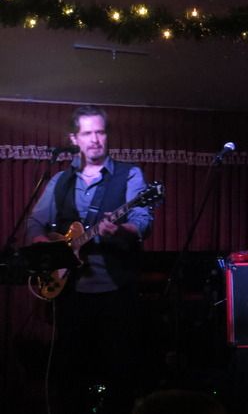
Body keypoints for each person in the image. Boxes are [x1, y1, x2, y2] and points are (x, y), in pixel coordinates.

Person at [26, 105, 154, 414]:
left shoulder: (129, 174)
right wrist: (46, 248)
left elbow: (142, 221)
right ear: (74, 139)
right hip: (71, 293)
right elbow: (35, 223)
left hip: (115, 290)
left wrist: (120, 229)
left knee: (119, 375)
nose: (95, 139)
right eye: (87, 133)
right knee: (70, 376)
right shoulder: (60, 180)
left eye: (100, 132)